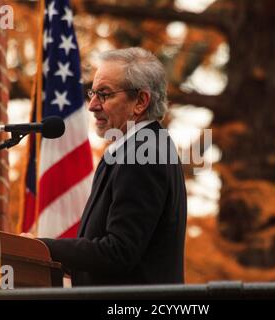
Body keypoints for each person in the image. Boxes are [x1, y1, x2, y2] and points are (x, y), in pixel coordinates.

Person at [25, 47, 187, 286]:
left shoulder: (142, 154)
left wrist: (42, 247)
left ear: (140, 101)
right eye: (93, 92)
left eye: (104, 94)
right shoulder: (132, 149)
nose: (92, 105)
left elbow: (119, 252)